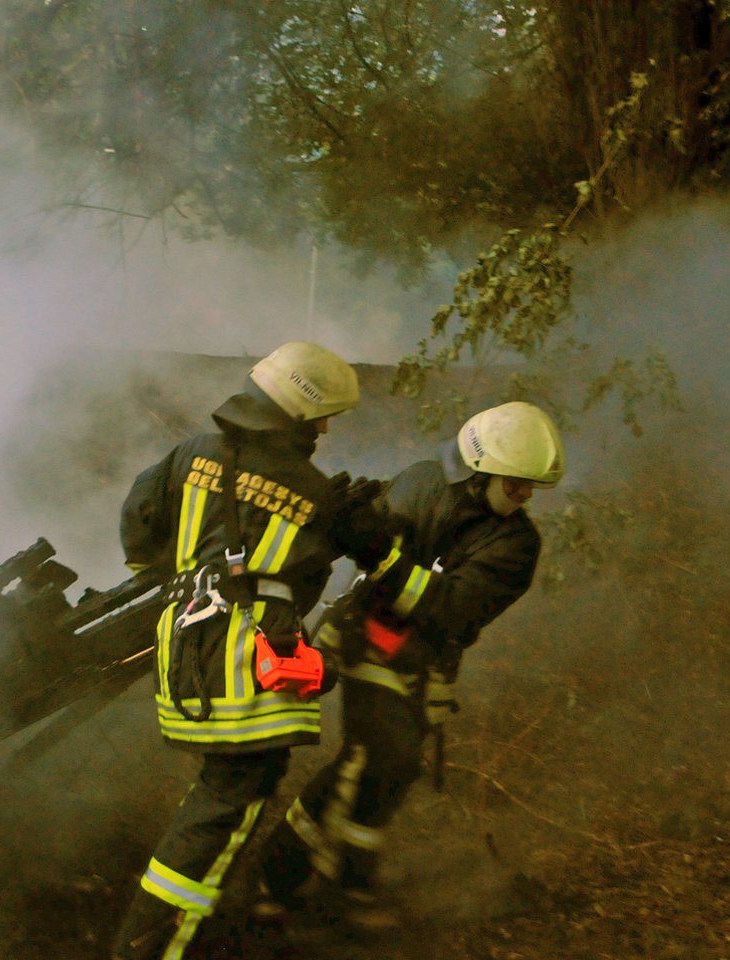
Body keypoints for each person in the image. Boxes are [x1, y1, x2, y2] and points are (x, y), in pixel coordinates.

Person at [110, 342, 390, 960]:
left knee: (225, 787)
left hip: (182, 644)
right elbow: (333, 569)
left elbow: (139, 525)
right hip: (248, 660)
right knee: (231, 792)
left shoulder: (190, 453)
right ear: (300, 411)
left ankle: (183, 927)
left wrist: (191, 573)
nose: (324, 430)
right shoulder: (315, 491)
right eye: (323, 418)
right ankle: (150, 947)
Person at [255, 400, 566, 927]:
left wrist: (384, 556)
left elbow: (450, 609)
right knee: (384, 756)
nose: (525, 495)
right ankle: (320, 883)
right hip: (365, 641)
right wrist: (344, 524)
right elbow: (366, 545)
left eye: (531, 487)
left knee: (383, 769)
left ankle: (298, 876)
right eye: (517, 483)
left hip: (423, 663)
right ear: (481, 471)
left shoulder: (516, 546)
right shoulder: (423, 483)